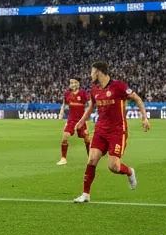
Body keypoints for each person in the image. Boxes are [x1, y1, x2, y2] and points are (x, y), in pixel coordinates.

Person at [72, 61, 148, 203]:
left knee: (113, 166)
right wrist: (81, 121)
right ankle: (85, 194)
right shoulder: (94, 89)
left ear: (99, 72)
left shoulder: (118, 86)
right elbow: (90, 107)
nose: (90, 75)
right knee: (92, 159)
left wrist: (144, 118)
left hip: (117, 131)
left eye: (92, 71)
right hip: (101, 129)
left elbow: (137, 99)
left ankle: (130, 172)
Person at [58, 76, 91, 165]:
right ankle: (63, 158)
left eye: (74, 82)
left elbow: (90, 104)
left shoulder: (83, 93)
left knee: (87, 139)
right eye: (71, 83)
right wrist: (61, 113)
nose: (73, 84)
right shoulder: (67, 93)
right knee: (65, 137)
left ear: (78, 83)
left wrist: (86, 116)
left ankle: (90, 158)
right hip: (71, 120)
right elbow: (64, 104)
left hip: (81, 121)